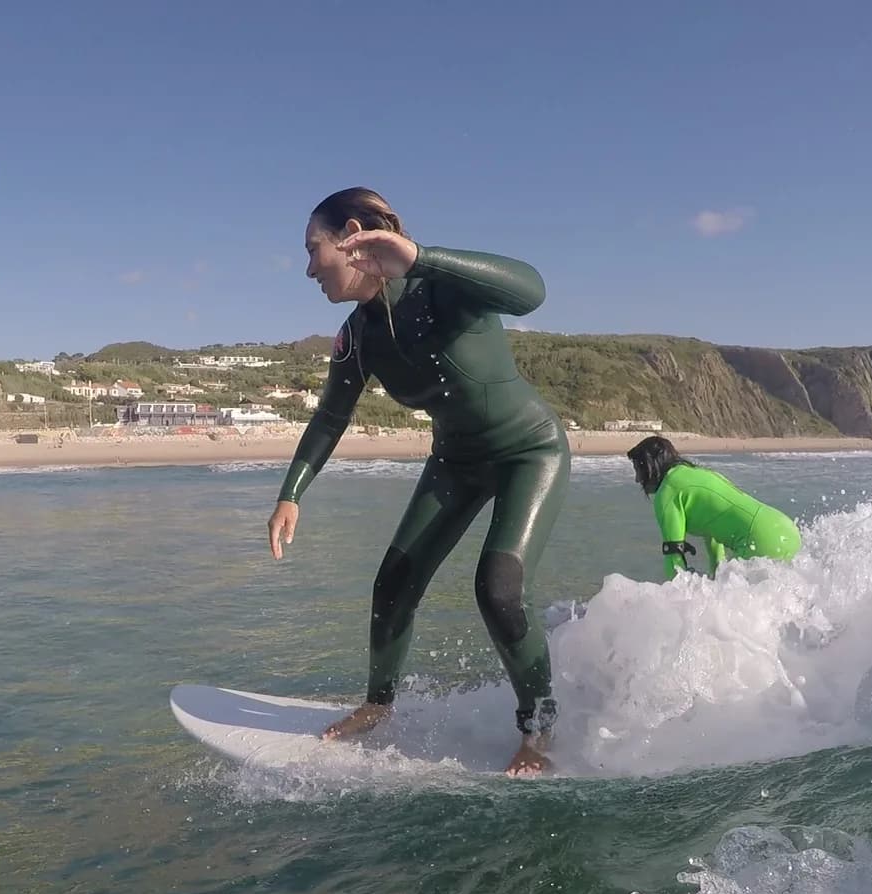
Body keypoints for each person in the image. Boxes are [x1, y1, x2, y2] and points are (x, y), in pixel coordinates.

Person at [266, 187, 570, 777]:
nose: (307, 269)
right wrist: (290, 493)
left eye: (313, 250)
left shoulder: (442, 289)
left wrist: (420, 256)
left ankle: (539, 728)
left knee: (499, 589)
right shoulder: (357, 337)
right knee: (393, 586)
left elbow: (532, 290)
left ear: (352, 236)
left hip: (529, 453)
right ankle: (378, 706)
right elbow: (332, 416)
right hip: (455, 462)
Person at [626, 435, 801, 580]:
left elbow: (674, 557)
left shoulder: (668, 490)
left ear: (651, 467)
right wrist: (717, 579)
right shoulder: (701, 474)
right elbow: (713, 535)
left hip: (760, 540)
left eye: (638, 469)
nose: (637, 479)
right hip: (786, 530)